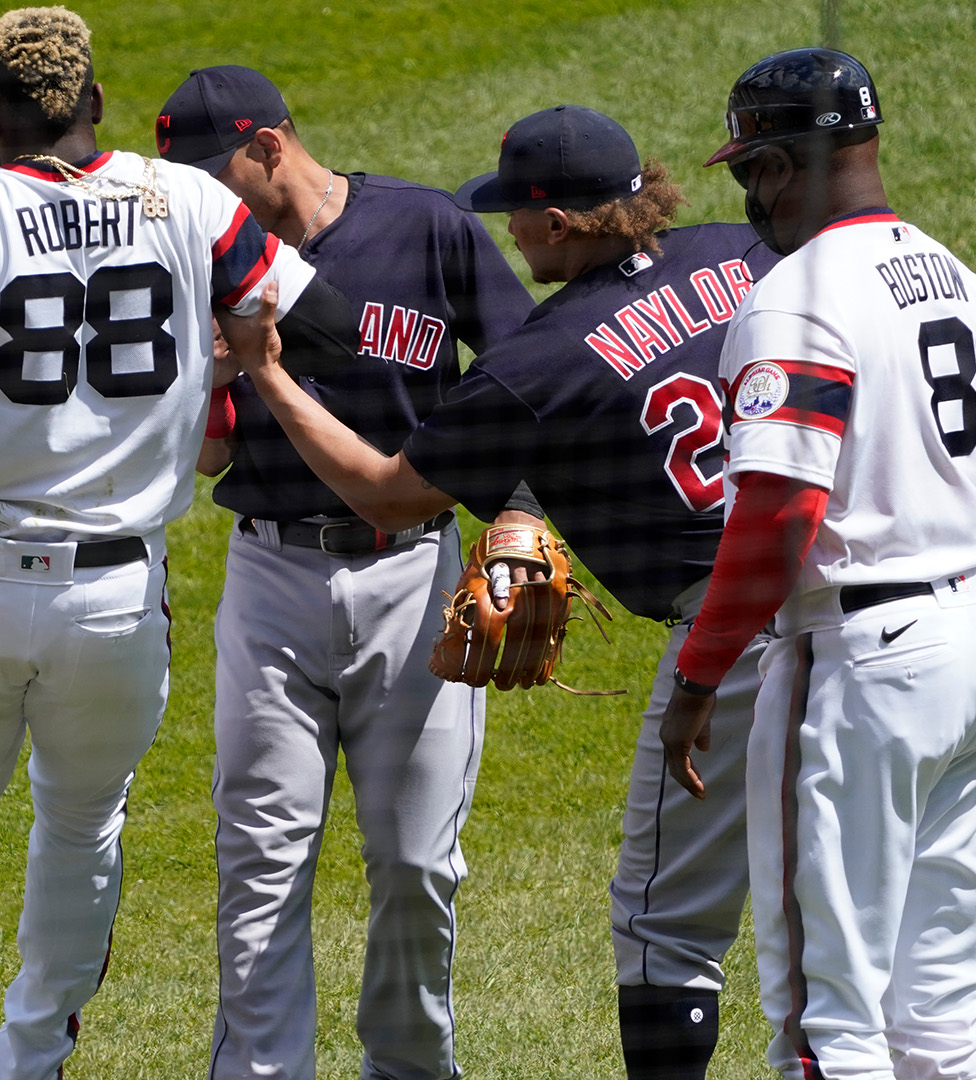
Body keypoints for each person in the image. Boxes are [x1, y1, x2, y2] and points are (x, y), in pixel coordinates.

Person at [216, 105, 783, 1080]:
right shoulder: (742, 251)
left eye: (515, 216)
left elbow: (386, 489)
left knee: (664, 931)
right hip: (869, 600)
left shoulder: (546, 356)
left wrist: (268, 373)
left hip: (729, 633)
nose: (506, 235)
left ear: (557, 224)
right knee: (845, 909)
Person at [0, 11, 360, 1078]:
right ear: (91, 101)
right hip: (116, 598)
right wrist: (206, 360)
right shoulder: (183, 197)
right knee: (83, 825)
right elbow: (323, 322)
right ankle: (33, 1058)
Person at [155, 65, 536, 1080]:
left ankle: (410, 1069)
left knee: (416, 864)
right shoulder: (199, 259)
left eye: (212, 172)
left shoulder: (426, 229)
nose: (201, 196)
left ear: (270, 146)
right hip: (272, 581)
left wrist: (518, 523)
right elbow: (207, 452)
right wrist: (222, 370)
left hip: (414, 580)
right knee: (262, 864)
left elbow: (531, 377)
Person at [660, 48, 976, 1080]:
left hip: (864, 660)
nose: (751, 196)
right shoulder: (951, 274)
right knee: (942, 1012)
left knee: (825, 1021)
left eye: (754, 170)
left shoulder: (799, 294)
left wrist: (699, 674)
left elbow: (779, 512)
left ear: (789, 165)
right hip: (965, 640)